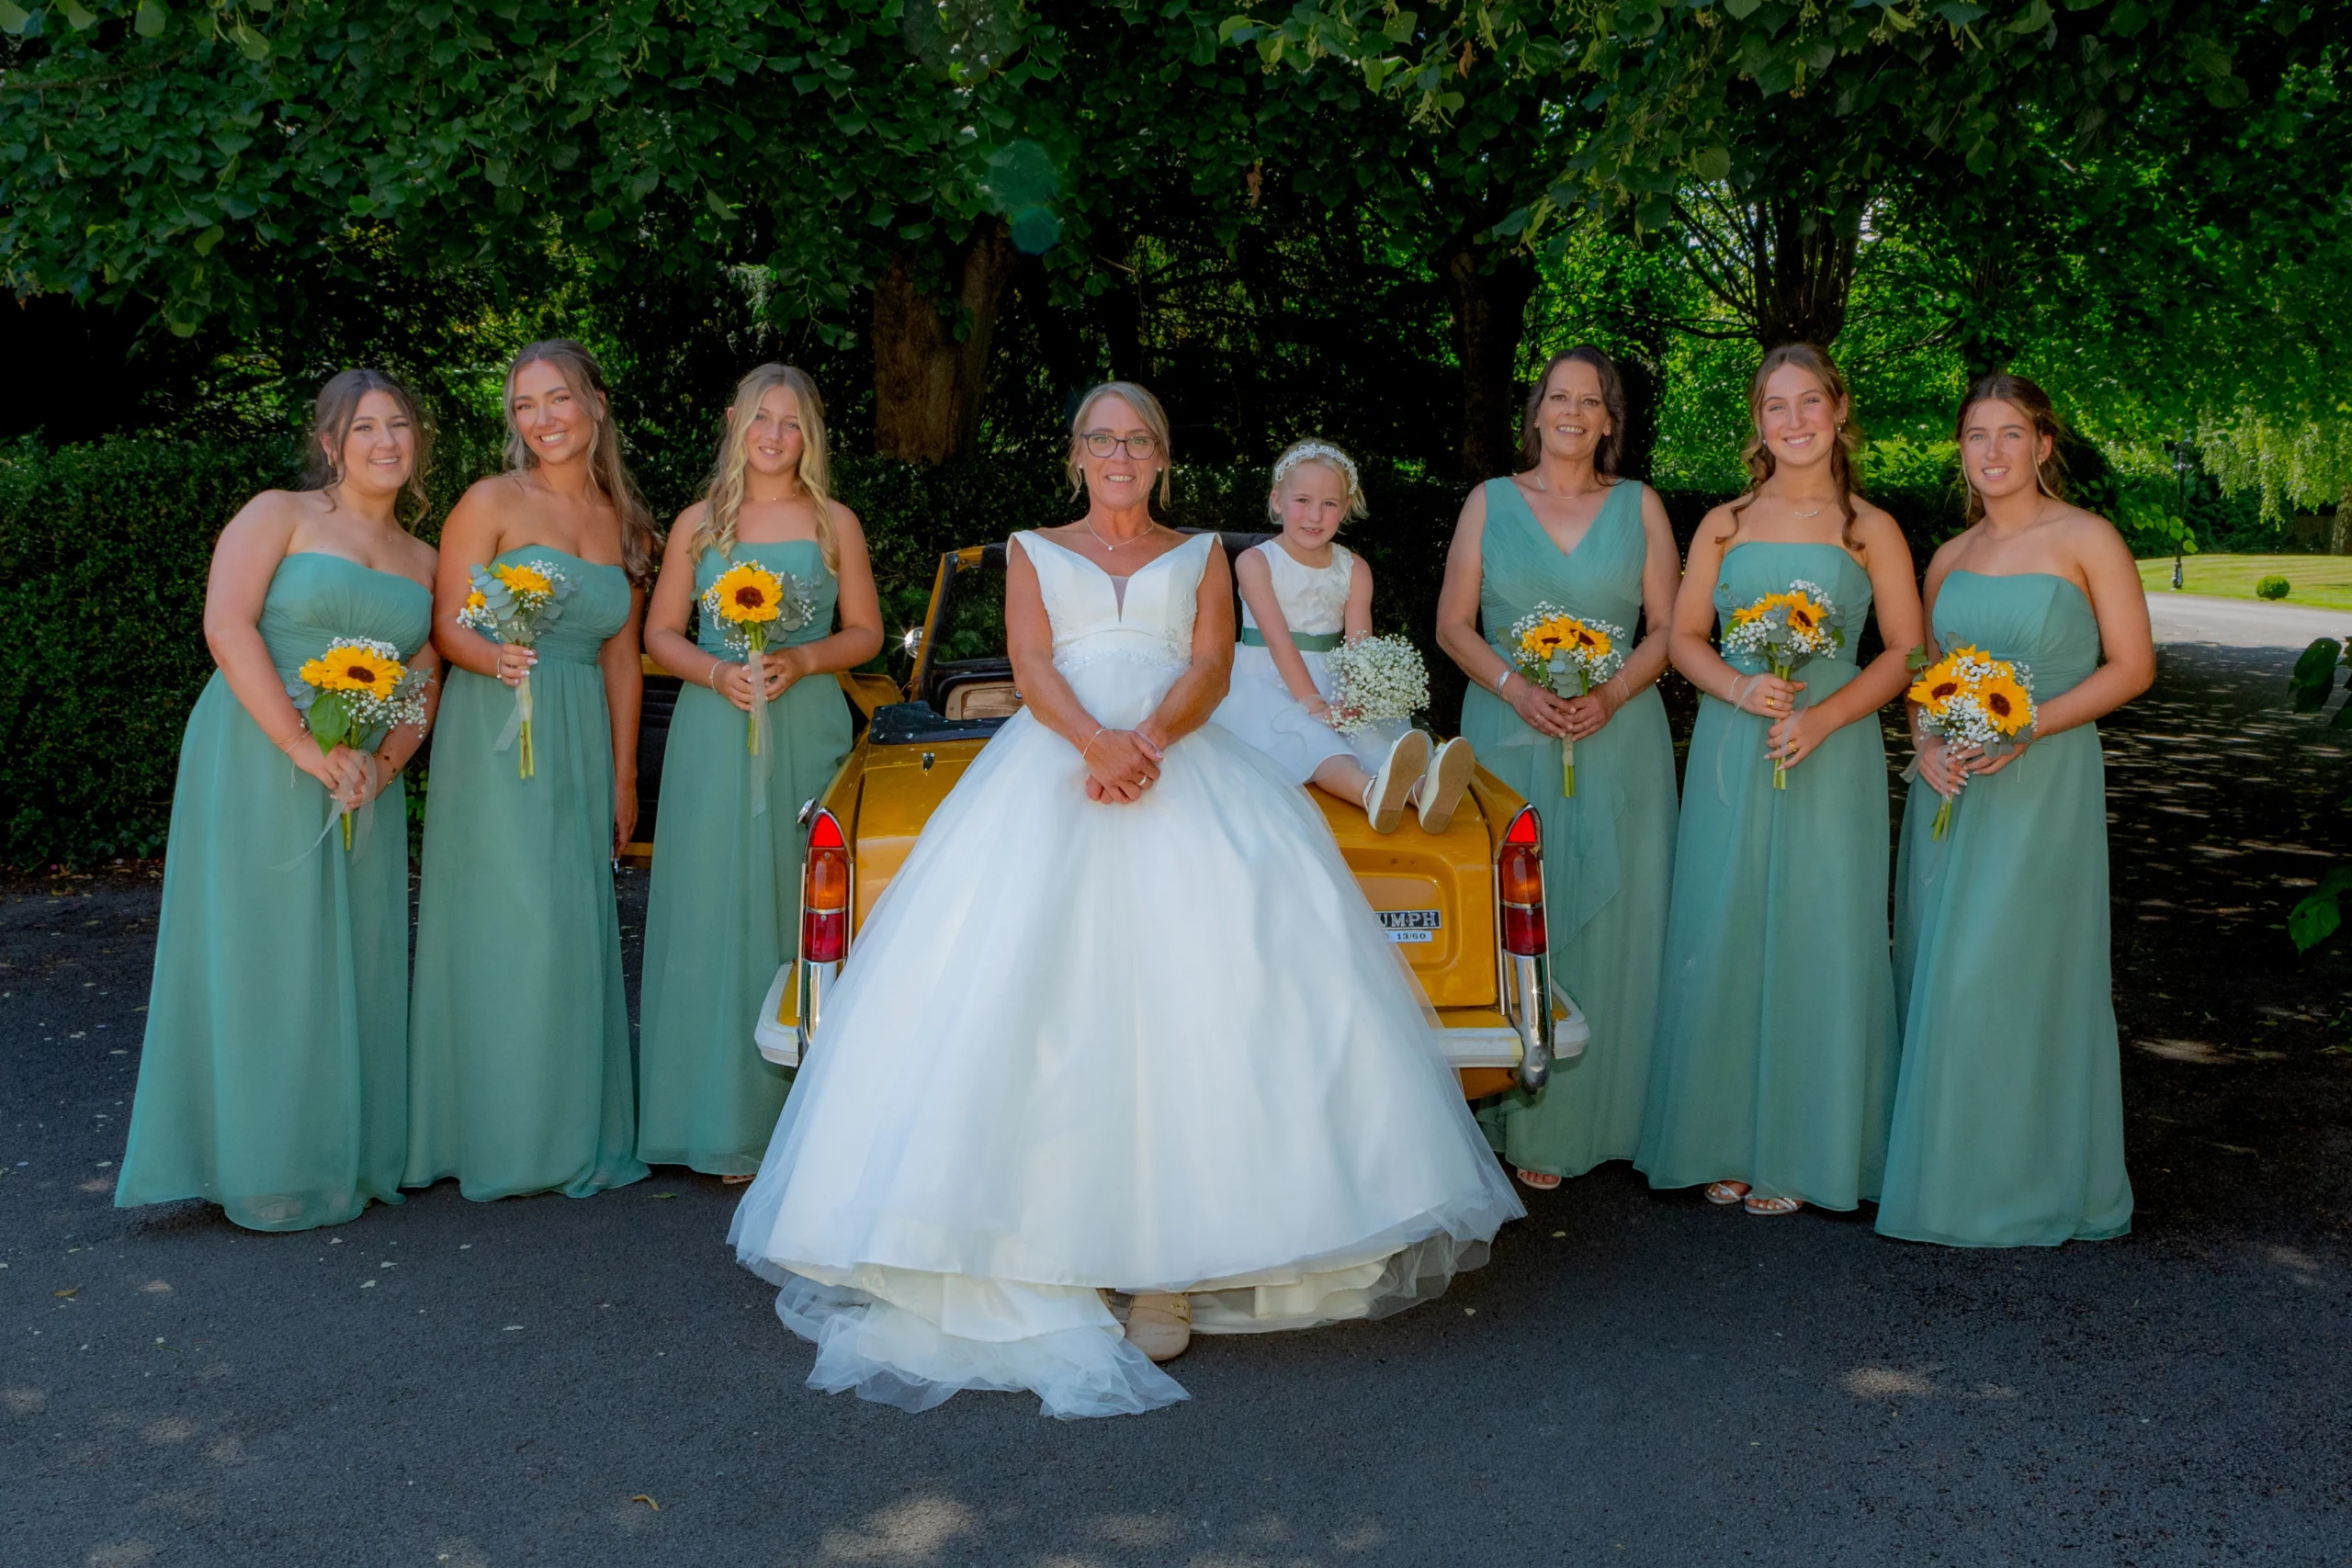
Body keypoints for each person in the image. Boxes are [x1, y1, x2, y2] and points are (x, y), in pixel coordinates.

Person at [729, 382, 1521, 1417]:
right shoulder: (1030, 544)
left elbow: (1205, 664)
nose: (1118, 453)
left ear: (1160, 457)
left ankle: (1169, 1266)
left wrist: (1144, 742)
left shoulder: (1201, 556)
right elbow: (1029, 660)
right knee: (1041, 1012)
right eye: (1101, 438)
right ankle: (1050, 1251)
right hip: (1050, 765)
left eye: (1137, 439)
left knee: (1191, 1009)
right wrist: (1094, 744)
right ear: (1076, 454)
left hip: (1181, 761)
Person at [116, 369, 441, 1232]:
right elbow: (227, 624)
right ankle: (257, 1162)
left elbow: (425, 678)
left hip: (359, 776)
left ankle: (341, 1154)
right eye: (363, 427)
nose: (384, 442)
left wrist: (388, 761)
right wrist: (303, 746)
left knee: (353, 956)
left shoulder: (428, 560)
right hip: (259, 751)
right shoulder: (279, 514)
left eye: (398, 425)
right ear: (330, 444)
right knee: (264, 951)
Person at [1635, 344, 1920, 1217]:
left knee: (1820, 932)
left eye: (1809, 403)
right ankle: (1722, 1139)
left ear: (1839, 411)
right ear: (1757, 421)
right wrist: (1739, 687)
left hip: (1830, 746)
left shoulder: (1869, 528)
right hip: (1735, 740)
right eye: (1774, 406)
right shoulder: (1722, 522)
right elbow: (1684, 636)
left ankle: (1805, 1149)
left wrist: (1824, 717)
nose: (1793, 421)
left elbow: (1908, 651)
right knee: (1725, 927)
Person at [1878, 375, 2153, 1247]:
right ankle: (1952, 1180)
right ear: (1960, 450)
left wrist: (2032, 723)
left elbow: (2133, 666)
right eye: (1975, 436)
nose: (1992, 452)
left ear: (2043, 444)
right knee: (1944, 977)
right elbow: (1923, 678)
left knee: (2015, 978)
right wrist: (1923, 746)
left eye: (2011, 434)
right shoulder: (1949, 558)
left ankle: (2028, 1184)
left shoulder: (2086, 538)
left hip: (2044, 784)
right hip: (1952, 792)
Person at [405, 341, 653, 1201]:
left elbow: (624, 660)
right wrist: (491, 658)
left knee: (571, 923)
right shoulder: (491, 502)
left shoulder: (622, 518)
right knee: (513, 922)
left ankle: (563, 1123)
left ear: (595, 405)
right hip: (500, 723)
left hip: (583, 727)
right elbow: (445, 623)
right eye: (524, 405)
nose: (542, 419)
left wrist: (624, 778)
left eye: (558, 400)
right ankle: (496, 1132)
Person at [1436, 347, 1680, 1190]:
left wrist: (1609, 694)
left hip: (1618, 735)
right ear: (1536, 410)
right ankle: (1519, 1115)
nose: (1574, 411)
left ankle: (1613, 1115)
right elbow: (1453, 625)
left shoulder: (1641, 507)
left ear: (1610, 420)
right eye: (1559, 396)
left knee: (1621, 918)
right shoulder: (1489, 502)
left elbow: (1667, 628)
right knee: (1519, 909)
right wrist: (1514, 687)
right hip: (1511, 730)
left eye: (1592, 400)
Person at [637, 367, 883, 1179]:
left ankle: (805, 1128)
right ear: (734, 420)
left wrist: (804, 657)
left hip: (807, 720)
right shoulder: (699, 525)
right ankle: (711, 1118)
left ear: (811, 436)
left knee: (798, 900)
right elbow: (663, 632)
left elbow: (868, 634)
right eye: (762, 419)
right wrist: (716, 674)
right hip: (715, 727)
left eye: (794, 423)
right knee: (712, 904)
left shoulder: (832, 521)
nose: (775, 436)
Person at [1211, 438, 1472, 832]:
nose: (1315, 515)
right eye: (1302, 500)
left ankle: (1422, 790)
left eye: (1329, 504)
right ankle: (1369, 793)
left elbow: (1359, 648)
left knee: (1368, 736)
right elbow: (1279, 642)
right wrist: (1314, 704)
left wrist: (1355, 698)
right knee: (1315, 740)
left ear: (1345, 509)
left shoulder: (1354, 568)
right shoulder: (1255, 562)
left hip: (1335, 677)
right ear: (1277, 501)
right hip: (1264, 679)